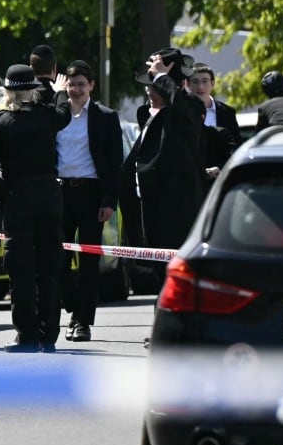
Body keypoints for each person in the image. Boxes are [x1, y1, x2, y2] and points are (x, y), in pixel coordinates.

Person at [0, 64, 71, 353]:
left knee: (20, 270)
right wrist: (58, 92)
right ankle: (49, 334)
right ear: (33, 90)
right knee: (49, 266)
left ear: (6, 91)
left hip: (18, 199)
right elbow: (65, 114)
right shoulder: (47, 116)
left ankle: (28, 334)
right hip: (49, 197)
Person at [55, 60, 122, 343]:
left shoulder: (105, 117)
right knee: (57, 257)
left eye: (82, 84)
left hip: (92, 193)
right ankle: (72, 305)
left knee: (89, 261)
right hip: (60, 192)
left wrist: (109, 200)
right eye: (72, 84)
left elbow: (114, 163)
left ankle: (83, 321)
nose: (76, 89)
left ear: (91, 86)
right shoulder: (57, 115)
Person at [119, 50, 206, 269]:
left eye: (155, 85)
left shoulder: (189, 108)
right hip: (152, 216)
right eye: (148, 85)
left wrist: (162, 78)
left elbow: (182, 107)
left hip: (178, 216)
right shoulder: (149, 117)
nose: (149, 91)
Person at [188, 64, 240, 144]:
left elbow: (237, 144)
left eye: (205, 81)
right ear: (188, 84)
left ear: (212, 83)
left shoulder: (227, 112)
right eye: (195, 82)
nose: (200, 87)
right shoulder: (181, 110)